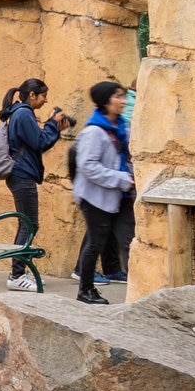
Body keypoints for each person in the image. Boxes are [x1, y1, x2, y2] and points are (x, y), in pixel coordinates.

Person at [0, 79, 69, 291]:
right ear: (32, 95)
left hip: (21, 174)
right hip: (22, 175)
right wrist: (52, 124)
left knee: (27, 224)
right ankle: (16, 275)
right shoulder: (23, 114)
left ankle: (20, 270)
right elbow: (40, 142)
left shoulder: (19, 113)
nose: (45, 100)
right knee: (29, 225)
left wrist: (51, 126)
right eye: (43, 96)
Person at [70, 80, 134, 306]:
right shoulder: (94, 132)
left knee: (129, 241)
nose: (123, 101)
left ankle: (136, 293)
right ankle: (85, 290)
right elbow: (88, 165)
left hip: (120, 195)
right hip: (95, 196)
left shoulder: (121, 127)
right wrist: (122, 179)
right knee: (95, 242)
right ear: (106, 101)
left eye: (123, 96)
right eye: (118, 96)